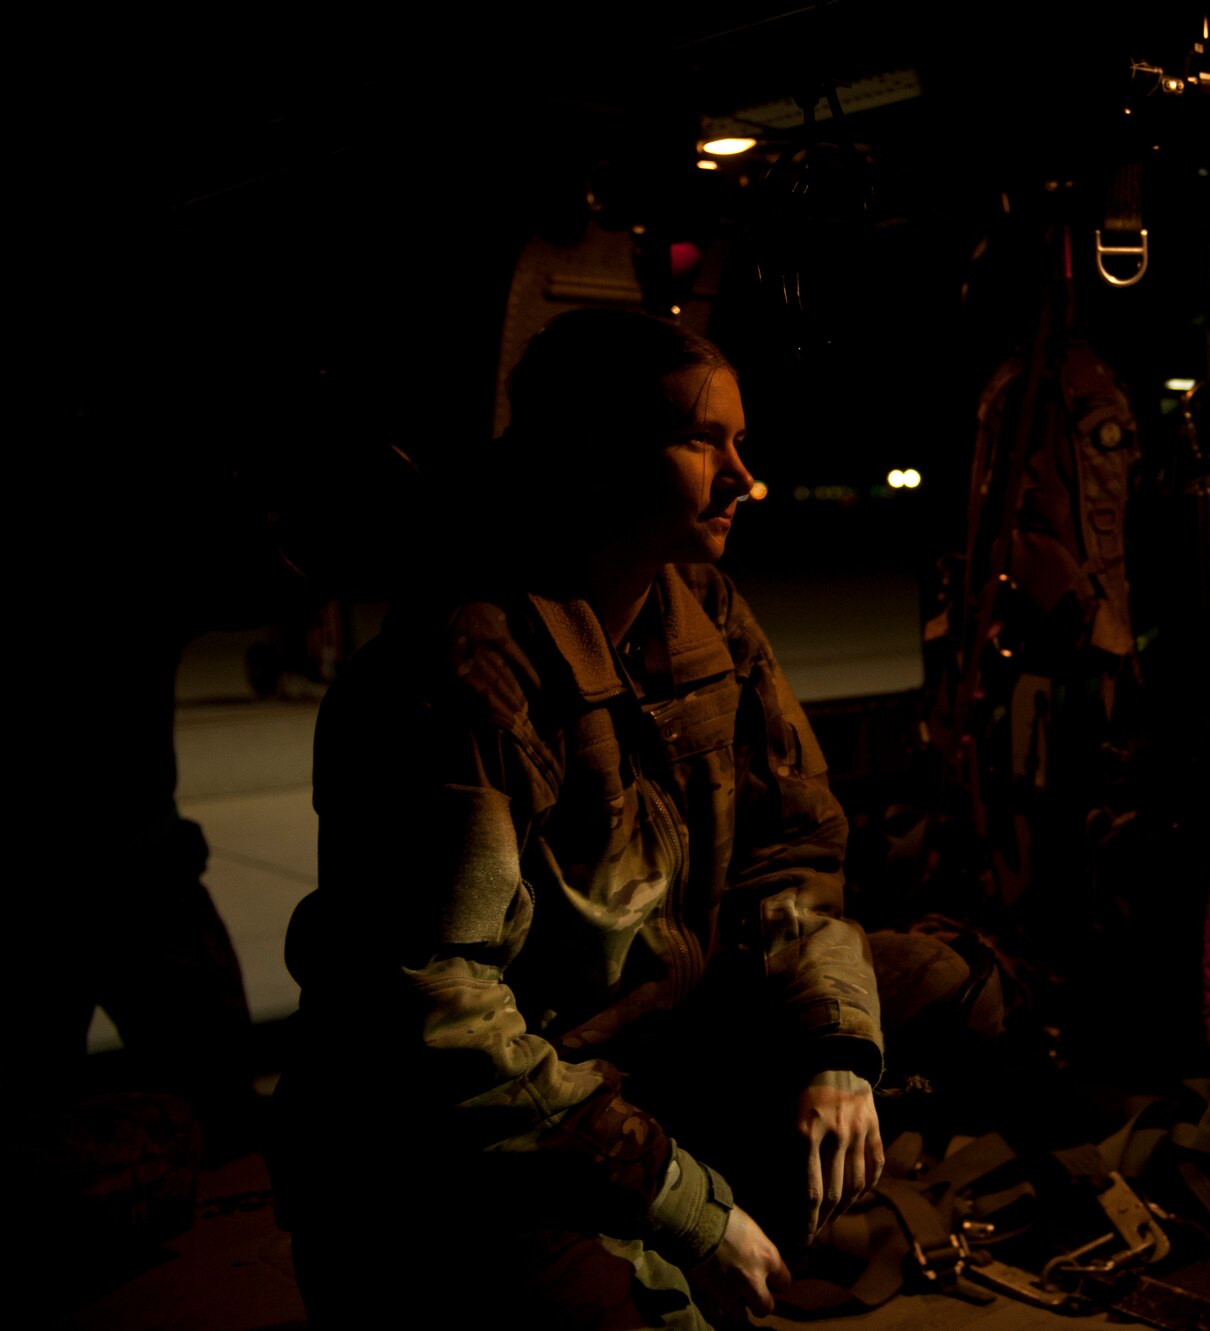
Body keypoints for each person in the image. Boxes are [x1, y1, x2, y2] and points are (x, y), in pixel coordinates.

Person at [272, 309, 887, 1329]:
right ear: (600, 463)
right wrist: (691, 1208)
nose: (746, 476)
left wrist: (836, 1050)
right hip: (460, 1142)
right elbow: (444, 1022)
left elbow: (792, 852)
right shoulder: (467, 671)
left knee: (929, 989)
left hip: (637, 1067)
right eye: (705, 442)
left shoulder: (704, 612)